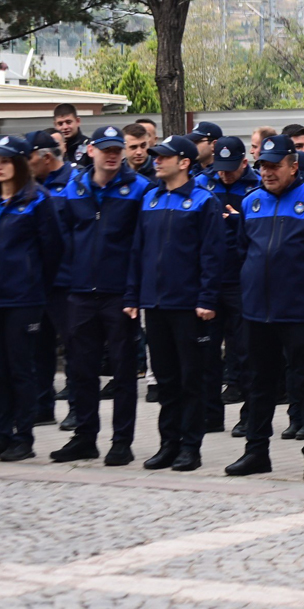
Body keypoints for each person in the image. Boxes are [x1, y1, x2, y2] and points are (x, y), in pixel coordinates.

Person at [224, 135, 304, 481]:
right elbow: (243, 250)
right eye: (263, 165)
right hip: (257, 312)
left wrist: (303, 283)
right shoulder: (251, 203)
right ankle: (256, 452)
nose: (267, 172)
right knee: (259, 384)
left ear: (293, 167)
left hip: (300, 311)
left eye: (275, 166)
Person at [50, 126, 154, 466]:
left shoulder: (139, 188)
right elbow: (62, 235)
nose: (112, 155)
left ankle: (121, 441)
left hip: (119, 293)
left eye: (117, 149)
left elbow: (142, 246)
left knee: (123, 371)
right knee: (81, 370)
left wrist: (134, 292)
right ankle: (84, 437)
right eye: (105, 149)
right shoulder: (74, 187)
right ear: (91, 150)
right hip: (80, 293)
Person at [124, 135, 224, 472]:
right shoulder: (150, 198)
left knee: (189, 378)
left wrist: (207, 298)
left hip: (188, 305)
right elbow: (137, 252)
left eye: (163, 156)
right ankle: (168, 443)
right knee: (165, 379)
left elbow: (212, 255)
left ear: (184, 162)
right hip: (155, 304)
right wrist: (133, 295)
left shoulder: (202, 201)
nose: (156, 160)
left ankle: (190, 447)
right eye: (156, 155)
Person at [0, 135, 65, 462]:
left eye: (6, 160)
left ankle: (23, 436)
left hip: (24, 298)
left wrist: (35, 283)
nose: (0, 167)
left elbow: (52, 248)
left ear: (21, 164)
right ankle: (2, 434)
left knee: (20, 369)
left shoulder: (37, 198)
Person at [195, 137, 260, 429]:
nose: (225, 174)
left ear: (244, 163)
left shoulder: (257, 187)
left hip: (242, 281)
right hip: (210, 281)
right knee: (207, 354)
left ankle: (249, 416)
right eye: (220, 169)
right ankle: (209, 415)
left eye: (231, 169)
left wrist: (239, 221)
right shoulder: (202, 185)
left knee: (246, 353)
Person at [25, 130, 74, 427]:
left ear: (45, 157)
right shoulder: (29, 187)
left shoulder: (75, 183)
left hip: (67, 281)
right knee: (39, 350)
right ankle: (42, 406)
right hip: (37, 283)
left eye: (28, 158)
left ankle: (78, 409)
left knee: (74, 350)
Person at [54, 103, 91, 168]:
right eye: (60, 123)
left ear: (77, 121)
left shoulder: (90, 146)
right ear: (55, 125)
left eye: (68, 122)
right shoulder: (51, 150)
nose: (65, 127)